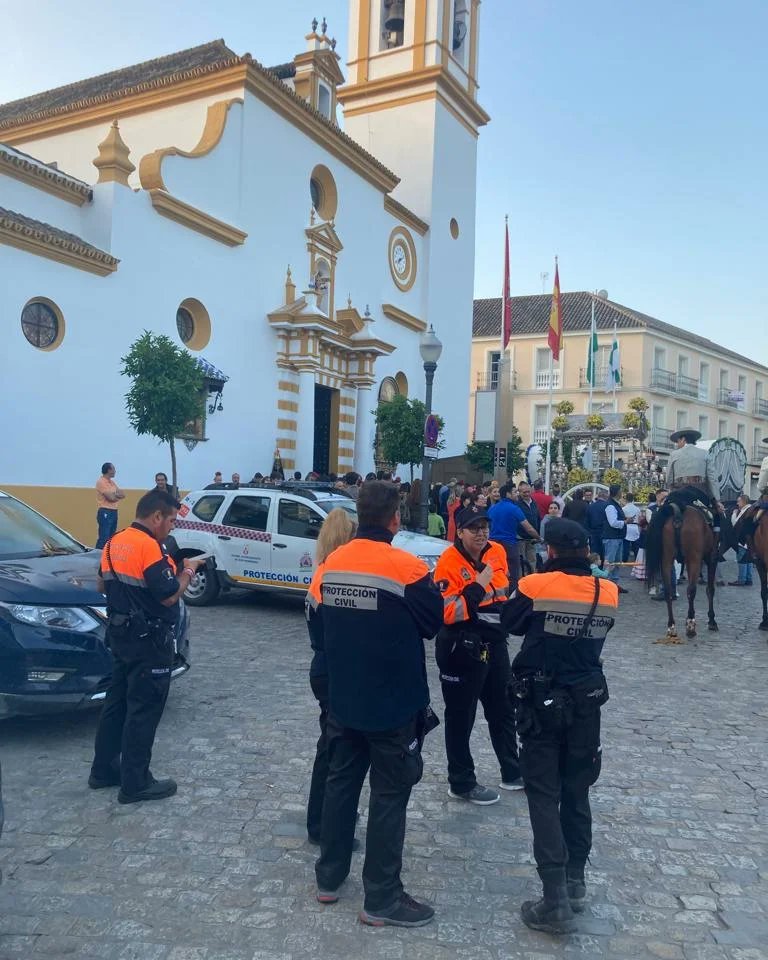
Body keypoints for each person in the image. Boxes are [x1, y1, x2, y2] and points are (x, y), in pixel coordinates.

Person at [307, 481, 443, 927]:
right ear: (395, 518)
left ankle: (329, 877)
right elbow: (431, 623)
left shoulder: (329, 565)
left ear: (359, 514)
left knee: (341, 784)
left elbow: (319, 630)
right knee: (389, 795)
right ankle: (381, 897)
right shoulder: (406, 567)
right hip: (392, 702)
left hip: (344, 696)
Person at [502, 518, 619, 934]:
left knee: (543, 795)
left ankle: (554, 900)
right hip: (587, 705)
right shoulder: (608, 590)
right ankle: (575, 881)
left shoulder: (537, 585)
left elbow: (509, 623)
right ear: (585, 551)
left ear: (550, 551)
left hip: (541, 704)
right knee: (577, 791)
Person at [89, 490, 204, 803]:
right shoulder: (150, 547)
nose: (171, 527)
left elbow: (101, 584)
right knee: (143, 709)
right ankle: (135, 782)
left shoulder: (114, 542)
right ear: (156, 517)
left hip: (119, 635)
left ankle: (103, 770)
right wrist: (188, 570)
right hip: (150, 641)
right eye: (169, 520)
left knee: (116, 703)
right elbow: (168, 594)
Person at [433, 507, 522, 805]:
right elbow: (447, 612)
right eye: (474, 528)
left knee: (503, 707)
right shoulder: (447, 563)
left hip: (494, 642)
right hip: (462, 645)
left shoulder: (496, 551)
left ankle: (513, 770)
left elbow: (505, 588)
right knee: (461, 716)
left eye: (485, 526)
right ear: (459, 532)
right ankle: (460, 782)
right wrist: (479, 585)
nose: (482, 533)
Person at [306, 508, 358, 846]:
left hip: (322, 667)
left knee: (329, 746)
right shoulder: (335, 577)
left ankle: (323, 818)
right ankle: (324, 824)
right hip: (336, 670)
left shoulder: (321, 572)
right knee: (334, 751)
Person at [488, 483, 540, 589]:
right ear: (508, 494)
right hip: (509, 545)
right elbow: (528, 528)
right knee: (513, 573)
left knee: (496, 571)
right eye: (515, 492)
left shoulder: (492, 509)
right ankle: (512, 596)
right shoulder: (514, 508)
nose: (517, 494)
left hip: (493, 545)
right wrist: (539, 537)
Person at [602, 484, 629, 594]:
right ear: (617, 492)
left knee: (617, 562)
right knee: (610, 562)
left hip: (617, 537)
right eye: (621, 491)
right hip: (611, 537)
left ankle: (614, 585)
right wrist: (625, 522)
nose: (622, 493)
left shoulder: (615, 504)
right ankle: (605, 585)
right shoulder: (610, 506)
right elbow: (613, 522)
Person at [95, 462, 125, 548]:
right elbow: (111, 498)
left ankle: (107, 557)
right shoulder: (101, 482)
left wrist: (114, 495)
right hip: (105, 511)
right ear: (109, 470)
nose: (115, 471)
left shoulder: (112, 482)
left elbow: (123, 494)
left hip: (114, 511)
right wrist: (116, 495)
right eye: (114, 469)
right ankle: (98, 555)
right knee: (104, 537)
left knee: (111, 537)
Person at [730, 494, 754, 586]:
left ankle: (741, 579)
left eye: (738, 501)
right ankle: (749, 578)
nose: (737, 503)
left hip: (742, 540)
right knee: (749, 560)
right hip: (751, 540)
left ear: (744, 501)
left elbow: (735, 524)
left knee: (741, 559)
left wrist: (734, 513)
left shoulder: (744, 511)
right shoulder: (752, 510)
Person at [517, 482, 541, 574]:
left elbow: (538, 518)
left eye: (528, 491)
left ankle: (532, 579)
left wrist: (537, 534)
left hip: (532, 538)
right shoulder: (517, 504)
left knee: (532, 560)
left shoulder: (534, 503)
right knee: (521, 562)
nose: (527, 494)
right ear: (519, 492)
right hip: (521, 538)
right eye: (524, 492)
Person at [585, 488, 608, 567]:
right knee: (604, 552)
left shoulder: (591, 506)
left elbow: (587, 521)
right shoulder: (607, 506)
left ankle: (594, 569)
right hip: (604, 532)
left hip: (593, 533)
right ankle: (603, 570)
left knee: (595, 553)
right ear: (605, 496)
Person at [621, 493, 641, 562]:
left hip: (627, 526)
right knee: (636, 545)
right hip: (635, 526)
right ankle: (637, 559)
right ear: (633, 499)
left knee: (626, 545)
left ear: (626, 499)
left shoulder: (623, 509)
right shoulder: (637, 509)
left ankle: (624, 560)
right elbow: (639, 519)